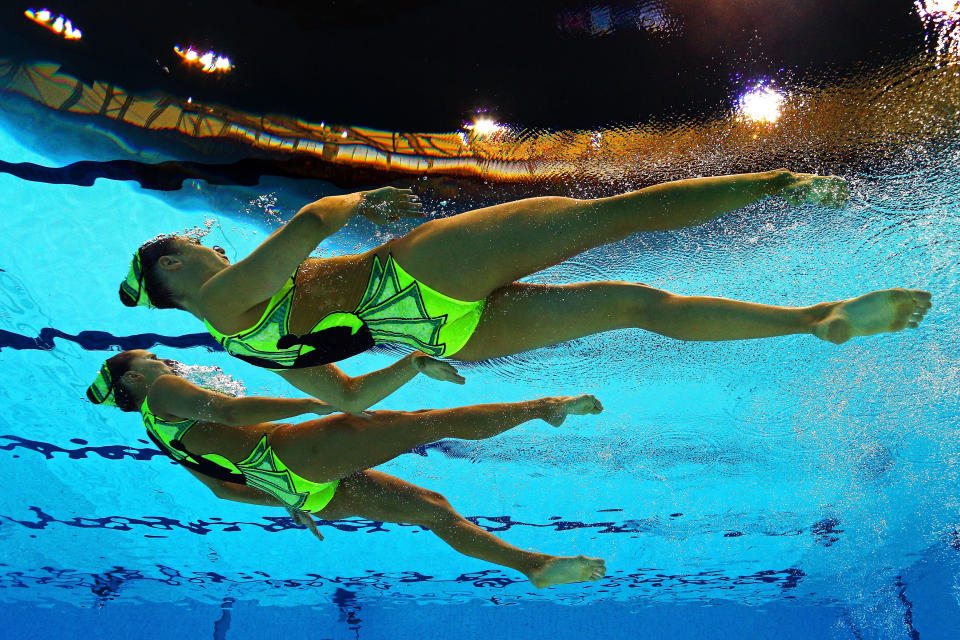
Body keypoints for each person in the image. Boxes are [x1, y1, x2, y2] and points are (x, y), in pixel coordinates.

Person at [118, 170, 932, 413]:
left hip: (443, 334)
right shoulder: (222, 300)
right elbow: (304, 226)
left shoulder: (247, 348)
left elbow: (346, 403)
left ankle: (813, 319)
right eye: (197, 245)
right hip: (420, 273)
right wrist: (365, 203)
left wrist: (414, 367)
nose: (208, 247)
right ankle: (785, 185)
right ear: (177, 270)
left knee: (636, 310)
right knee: (608, 219)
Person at [86, 349, 606, 588]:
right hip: (291, 452)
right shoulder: (158, 391)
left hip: (293, 485)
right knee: (423, 422)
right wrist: (308, 407)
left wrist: (289, 496)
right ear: (134, 375)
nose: (166, 363)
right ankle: (545, 407)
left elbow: (222, 490)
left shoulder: (158, 431)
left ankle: (533, 566)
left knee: (432, 510)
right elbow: (228, 410)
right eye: (153, 359)